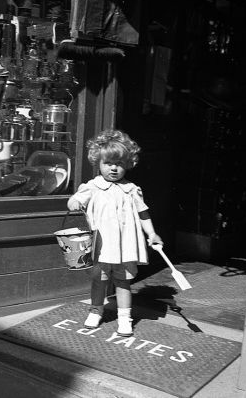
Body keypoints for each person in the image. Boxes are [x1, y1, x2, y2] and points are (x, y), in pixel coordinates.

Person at [67, 129, 163, 337]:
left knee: (123, 281)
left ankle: (124, 317)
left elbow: (143, 213)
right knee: (99, 280)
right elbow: (76, 200)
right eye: (108, 163)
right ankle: (95, 311)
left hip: (124, 246)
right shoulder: (93, 187)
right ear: (98, 163)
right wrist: (74, 201)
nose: (113, 168)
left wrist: (152, 234)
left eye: (119, 164)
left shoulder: (131, 189)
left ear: (127, 164)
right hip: (101, 246)